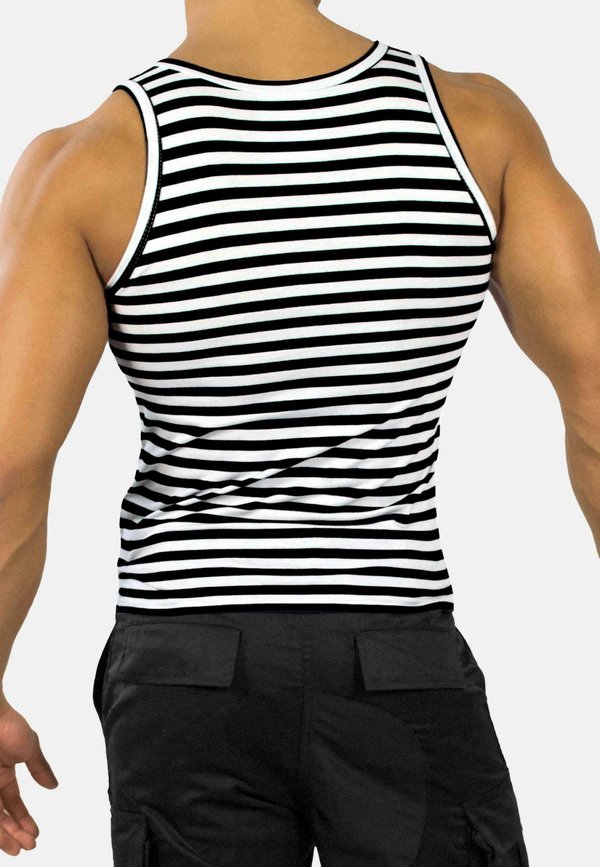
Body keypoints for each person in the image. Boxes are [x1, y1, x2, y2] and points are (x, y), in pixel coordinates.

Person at [0, 0, 598, 862]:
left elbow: (13, 462)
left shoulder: (91, 158)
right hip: (393, 647)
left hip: (188, 661)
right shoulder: (474, 126)